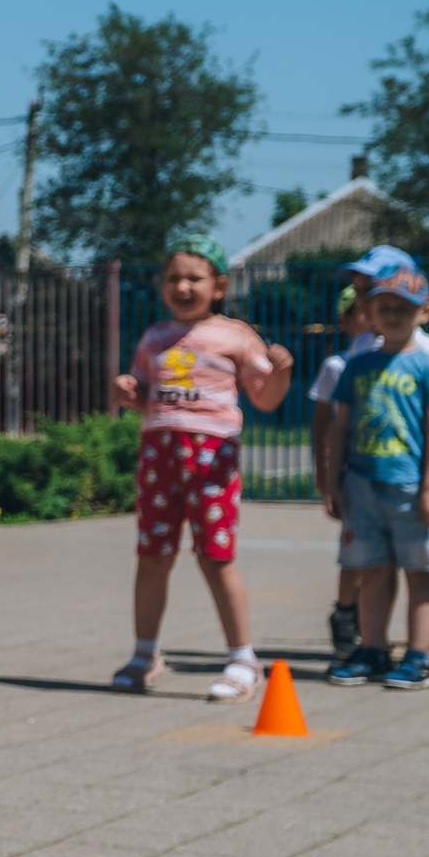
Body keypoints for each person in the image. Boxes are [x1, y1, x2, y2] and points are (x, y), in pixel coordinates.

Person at [108, 234, 294, 700]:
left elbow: (265, 399)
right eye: (173, 278)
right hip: (159, 454)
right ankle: (145, 653)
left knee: (216, 555)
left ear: (219, 286)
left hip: (212, 459)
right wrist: (131, 396)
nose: (183, 286)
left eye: (195, 277)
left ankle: (242, 659)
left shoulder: (235, 335)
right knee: (152, 555)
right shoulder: (153, 338)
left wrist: (281, 372)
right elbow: (148, 400)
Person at [323, 257, 429, 690]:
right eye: (385, 306)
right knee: (372, 572)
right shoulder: (356, 367)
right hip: (362, 487)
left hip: (412, 489)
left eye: (405, 306)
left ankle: (419, 655)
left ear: (426, 311)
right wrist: (333, 480)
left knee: (420, 572)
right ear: (370, 312)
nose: (394, 314)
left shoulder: (428, 366)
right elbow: (339, 426)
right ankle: (374, 649)